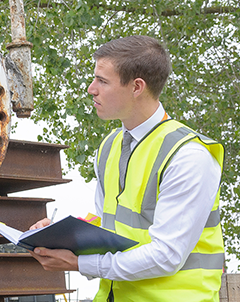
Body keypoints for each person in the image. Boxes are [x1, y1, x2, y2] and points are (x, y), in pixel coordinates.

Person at [29, 35, 225, 301]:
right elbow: (110, 229)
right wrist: (61, 235)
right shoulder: (110, 147)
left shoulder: (188, 156)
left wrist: (79, 264)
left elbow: (166, 255)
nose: (91, 89)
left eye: (102, 80)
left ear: (137, 87)